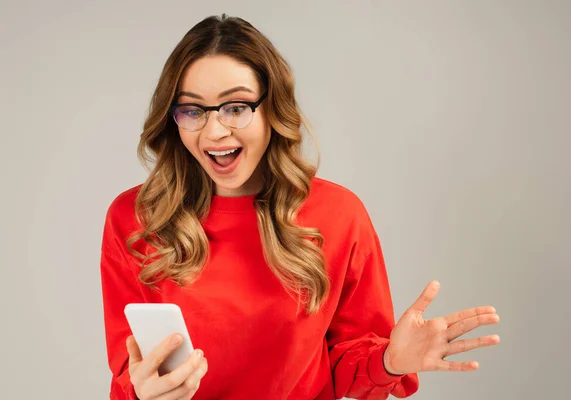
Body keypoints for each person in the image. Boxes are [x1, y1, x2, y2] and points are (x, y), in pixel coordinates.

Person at [100, 14, 500, 400]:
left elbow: (348, 367)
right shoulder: (134, 219)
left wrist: (390, 361)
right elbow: (127, 375)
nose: (215, 131)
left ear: (272, 108)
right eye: (192, 111)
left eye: (236, 107)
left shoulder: (340, 215)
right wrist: (142, 393)